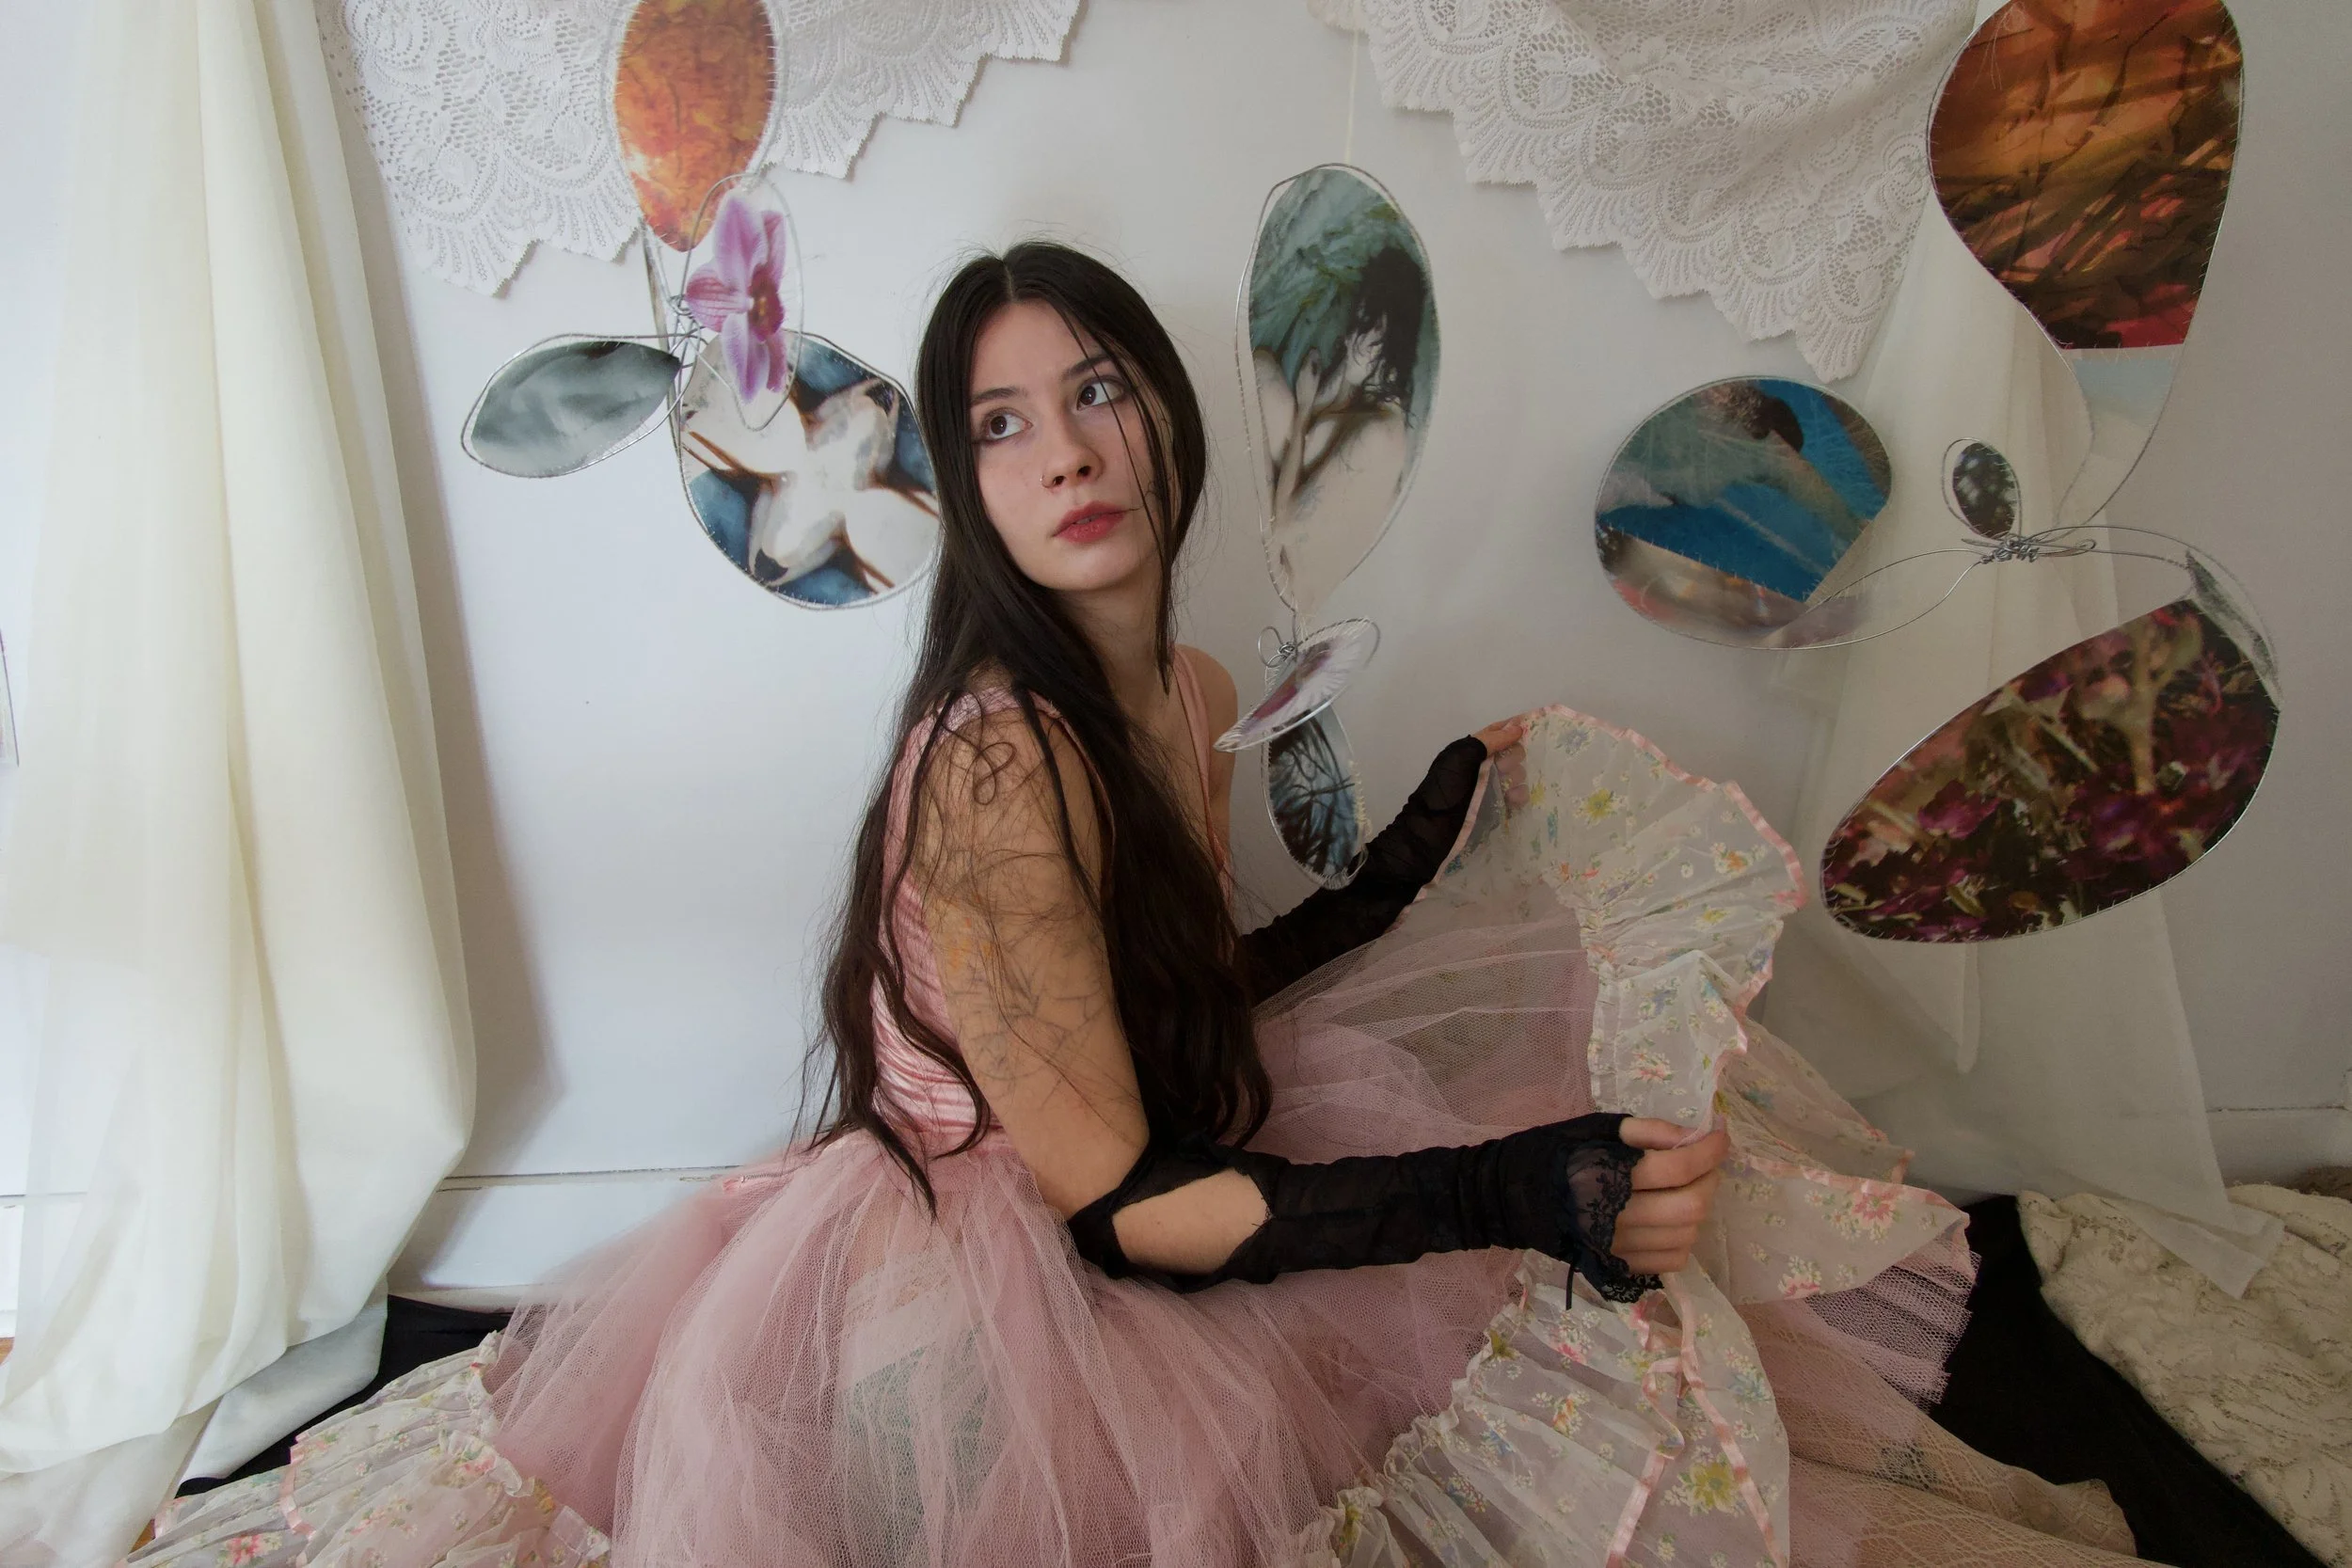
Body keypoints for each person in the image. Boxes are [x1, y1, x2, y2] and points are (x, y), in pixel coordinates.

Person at [135, 245, 2148, 1568]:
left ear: (1167, 414)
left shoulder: (1181, 693)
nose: (1068, 453)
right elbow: (1115, 1205)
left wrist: (1381, 887)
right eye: (1001, 424)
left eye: (1098, 390)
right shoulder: (999, 765)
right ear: (968, 487)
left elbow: (1161, 1004)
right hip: (993, 1278)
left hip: (1130, 1166)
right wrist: (1506, 1187)